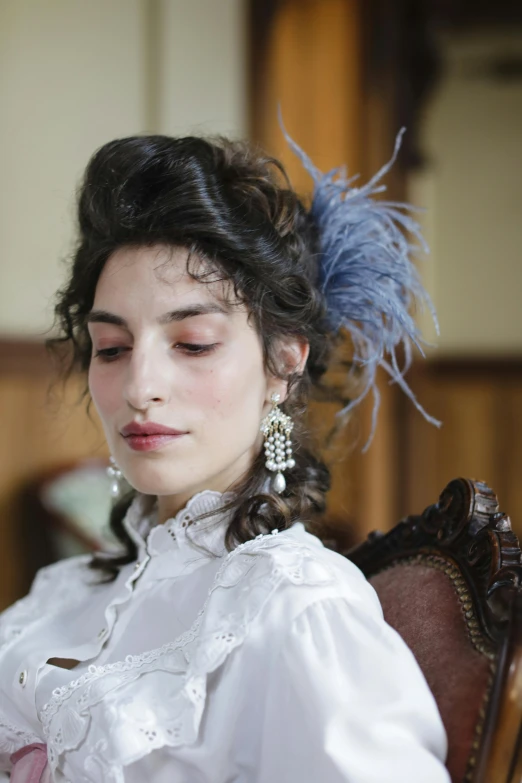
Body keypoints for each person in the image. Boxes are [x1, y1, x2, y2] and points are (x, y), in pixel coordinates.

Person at [0, 129, 450, 783]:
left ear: (282, 365)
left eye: (193, 342)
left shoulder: (299, 610)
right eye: (112, 347)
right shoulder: (68, 588)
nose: (139, 386)